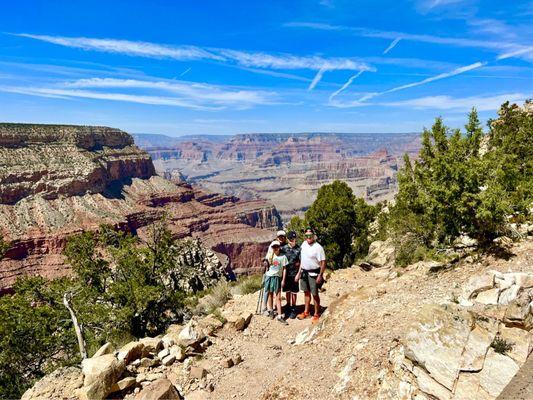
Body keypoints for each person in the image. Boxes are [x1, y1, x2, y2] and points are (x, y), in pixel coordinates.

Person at [295, 227, 326, 324]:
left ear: (314, 236)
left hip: (314, 273)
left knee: (315, 294)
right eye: (307, 235)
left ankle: (317, 314)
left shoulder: (318, 247)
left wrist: (320, 275)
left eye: (310, 235)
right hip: (304, 272)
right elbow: (302, 260)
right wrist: (299, 272)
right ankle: (306, 312)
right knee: (306, 292)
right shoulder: (304, 244)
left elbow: (323, 262)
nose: (308, 237)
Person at [263, 240, 289, 325]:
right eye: (274, 247)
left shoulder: (283, 257)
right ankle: (270, 310)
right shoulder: (270, 255)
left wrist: (283, 280)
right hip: (269, 276)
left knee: (278, 296)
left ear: (279, 247)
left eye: (277, 247)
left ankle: (279, 315)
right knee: (270, 294)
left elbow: (285, 269)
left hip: (277, 277)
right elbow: (266, 265)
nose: (275, 248)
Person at [282, 231, 300, 319]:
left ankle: (293, 308)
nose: (293, 240)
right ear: (288, 239)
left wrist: (298, 274)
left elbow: (301, 263)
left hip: (295, 274)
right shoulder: (284, 248)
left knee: (294, 292)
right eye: (291, 239)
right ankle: (288, 306)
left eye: (294, 238)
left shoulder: (299, 249)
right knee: (287, 291)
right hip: (286, 274)